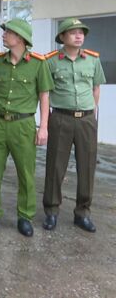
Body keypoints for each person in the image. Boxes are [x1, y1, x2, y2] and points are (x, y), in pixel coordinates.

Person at [0, 19, 54, 237]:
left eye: (8, 32)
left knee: (26, 174)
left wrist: (43, 127)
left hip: (23, 124)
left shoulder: (38, 64)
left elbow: (44, 96)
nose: (3, 35)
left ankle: (25, 216)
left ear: (20, 38)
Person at [42, 18, 106, 232]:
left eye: (81, 32)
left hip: (86, 119)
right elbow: (45, 92)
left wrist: (91, 112)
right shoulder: (50, 61)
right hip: (61, 118)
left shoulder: (92, 60)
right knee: (55, 166)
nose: (79, 36)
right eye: (73, 33)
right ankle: (51, 211)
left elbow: (96, 88)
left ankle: (83, 212)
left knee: (87, 167)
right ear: (62, 37)